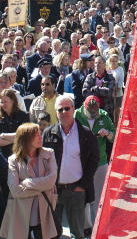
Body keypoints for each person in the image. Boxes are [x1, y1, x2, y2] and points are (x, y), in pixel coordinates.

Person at [42, 94, 99, 239]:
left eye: (67, 108)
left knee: (77, 233)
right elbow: (42, 160)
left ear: (73, 109)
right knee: (52, 232)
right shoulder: (48, 133)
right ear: (56, 113)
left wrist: (83, 185)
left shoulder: (85, 133)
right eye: (60, 110)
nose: (63, 112)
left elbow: (94, 159)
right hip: (54, 190)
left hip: (76, 190)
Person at [0, 122, 59, 239]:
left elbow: (51, 181)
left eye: (40, 134)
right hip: (21, 214)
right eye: (36, 135)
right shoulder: (13, 160)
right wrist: (42, 186)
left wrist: (26, 183)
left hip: (44, 211)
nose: (41, 137)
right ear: (26, 138)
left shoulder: (49, 154)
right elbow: (15, 190)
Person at [75, 95, 115, 223]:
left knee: (99, 196)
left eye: (95, 111)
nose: (93, 113)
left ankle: (100, 224)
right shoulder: (76, 115)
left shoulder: (104, 116)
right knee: (83, 196)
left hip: (100, 161)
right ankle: (85, 227)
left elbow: (115, 137)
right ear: (84, 107)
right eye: (90, 111)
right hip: (80, 162)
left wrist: (107, 134)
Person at [0, 88, 30, 159]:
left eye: (6, 102)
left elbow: (25, 135)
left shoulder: (23, 116)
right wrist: (17, 139)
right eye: (2, 102)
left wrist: (3, 136)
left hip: (20, 155)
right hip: (3, 156)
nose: (3, 104)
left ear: (13, 101)